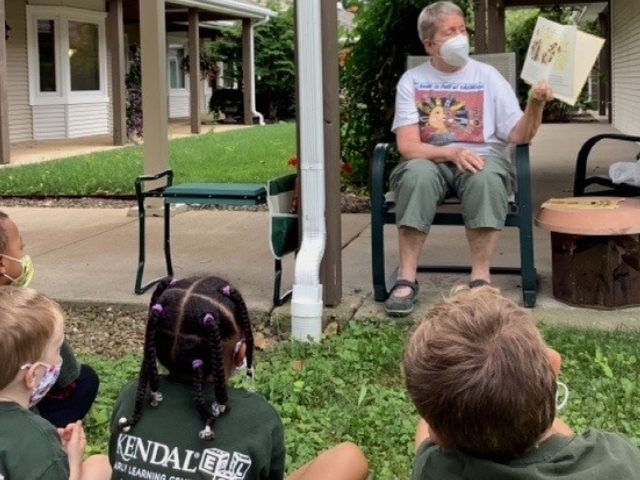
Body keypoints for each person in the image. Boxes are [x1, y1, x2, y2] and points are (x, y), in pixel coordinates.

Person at [385, 0, 554, 316]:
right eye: (451, 31)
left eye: (463, 29)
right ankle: (406, 278)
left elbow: (519, 136)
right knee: (415, 175)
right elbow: (408, 146)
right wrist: (450, 151)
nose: (461, 37)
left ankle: (480, 280)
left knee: (486, 177)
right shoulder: (412, 81)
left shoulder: (488, 76)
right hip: (430, 160)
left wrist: (535, 104)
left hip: (481, 159)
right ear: (430, 44)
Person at [109, 275, 369, 480]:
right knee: (349, 456)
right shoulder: (257, 417)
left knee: (98, 464)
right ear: (241, 352)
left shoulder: (133, 397)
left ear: (154, 346)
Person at [402, 285, 640, 479]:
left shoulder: (436, 471)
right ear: (553, 364)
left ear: (440, 438)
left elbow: (427, 436)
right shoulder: (618, 459)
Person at [0, 210, 100, 428]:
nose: (24, 257)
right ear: (2, 263)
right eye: (20, 249)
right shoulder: (27, 312)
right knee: (86, 379)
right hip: (19, 414)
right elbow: (67, 376)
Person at [0, 286, 112, 480]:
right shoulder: (34, 437)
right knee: (102, 467)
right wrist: (73, 463)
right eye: (58, 349)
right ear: (33, 375)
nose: (61, 358)